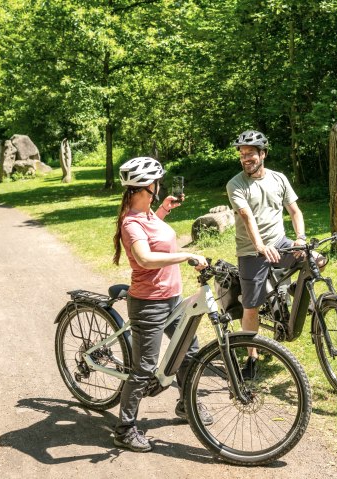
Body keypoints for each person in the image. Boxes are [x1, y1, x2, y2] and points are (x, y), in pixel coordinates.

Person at [112, 156, 212, 453]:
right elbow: (144, 257)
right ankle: (125, 428)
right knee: (144, 368)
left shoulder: (147, 213)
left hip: (172, 298)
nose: (159, 186)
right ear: (146, 187)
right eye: (157, 183)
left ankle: (186, 404)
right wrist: (185, 255)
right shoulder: (131, 222)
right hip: (149, 304)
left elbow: (155, 239)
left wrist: (165, 209)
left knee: (189, 352)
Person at [226, 130, 326, 379]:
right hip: (252, 251)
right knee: (252, 307)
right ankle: (251, 356)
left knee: (317, 259)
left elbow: (294, 211)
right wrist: (260, 246)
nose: (245, 158)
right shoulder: (236, 184)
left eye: (250, 153)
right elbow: (247, 217)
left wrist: (300, 239)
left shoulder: (279, 179)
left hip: (280, 243)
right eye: (242, 154)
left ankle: (295, 290)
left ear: (263, 154)